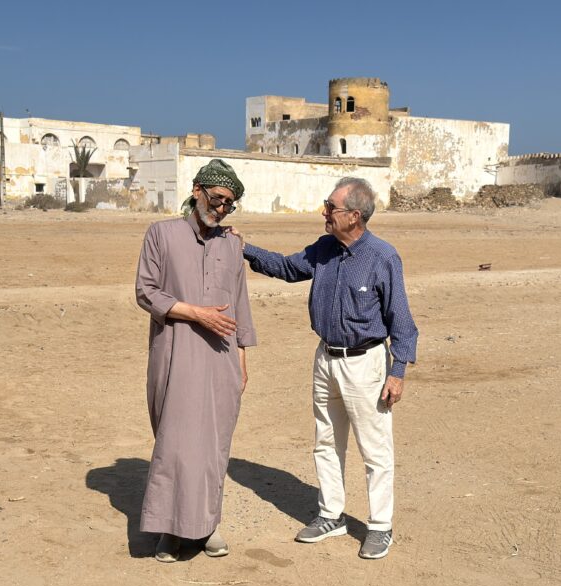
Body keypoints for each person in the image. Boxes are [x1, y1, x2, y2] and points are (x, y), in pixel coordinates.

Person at [236, 177, 417, 560]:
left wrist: (397, 371)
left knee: (375, 449)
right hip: (325, 359)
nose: (324, 212)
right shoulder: (324, 249)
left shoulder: (382, 257)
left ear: (355, 216)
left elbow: (401, 320)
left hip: (366, 364)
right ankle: (331, 515)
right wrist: (244, 248)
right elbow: (287, 268)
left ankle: (380, 526)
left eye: (331, 207)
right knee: (326, 441)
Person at [134, 159, 257, 563]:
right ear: (197, 190)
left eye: (229, 204)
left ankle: (207, 526)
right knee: (174, 443)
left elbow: (239, 304)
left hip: (221, 360)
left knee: (212, 448)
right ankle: (169, 531)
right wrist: (195, 313)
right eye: (217, 199)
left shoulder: (232, 245)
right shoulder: (161, 234)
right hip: (175, 352)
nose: (221, 209)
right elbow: (146, 291)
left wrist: (242, 360)